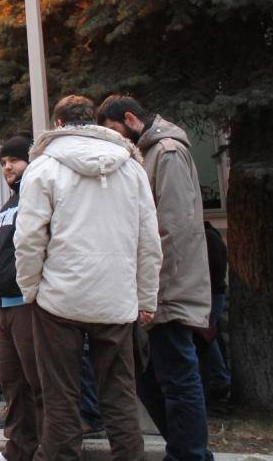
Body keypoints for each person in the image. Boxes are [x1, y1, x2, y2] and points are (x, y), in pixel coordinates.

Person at [14, 95, 162, 461]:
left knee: (60, 395)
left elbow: (29, 237)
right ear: (94, 121)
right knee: (119, 394)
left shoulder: (43, 167)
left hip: (59, 298)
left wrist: (30, 289)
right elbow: (148, 240)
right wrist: (146, 299)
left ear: (59, 123)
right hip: (116, 298)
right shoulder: (132, 168)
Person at [97, 95, 214, 460]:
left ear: (130, 119)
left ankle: (191, 454)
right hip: (153, 286)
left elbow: (172, 227)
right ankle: (182, 450)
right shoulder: (147, 155)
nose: (115, 140)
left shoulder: (167, 153)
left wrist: (153, 286)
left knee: (177, 378)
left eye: (115, 130)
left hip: (169, 285)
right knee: (150, 378)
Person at [0, 134, 42, 461]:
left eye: (14, 161)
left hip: (28, 307)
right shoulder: (8, 205)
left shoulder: (37, 197)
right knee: (13, 385)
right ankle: (17, 451)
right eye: (4, 162)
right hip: (3, 308)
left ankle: (48, 450)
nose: (7, 167)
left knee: (38, 385)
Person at [200, 221, 231, 402]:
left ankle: (220, 378)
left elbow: (213, 271)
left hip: (211, 293)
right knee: (209, 335)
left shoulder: (208, 239)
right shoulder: (212, 237)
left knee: (206, 336)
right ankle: (219, 377)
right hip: (212, 292)